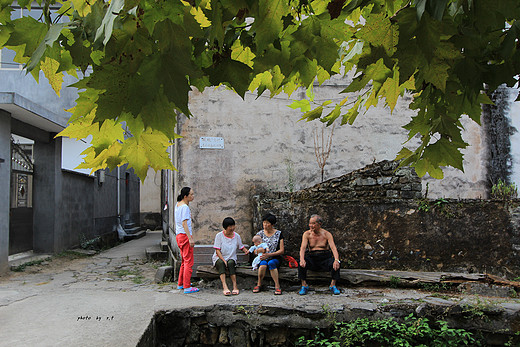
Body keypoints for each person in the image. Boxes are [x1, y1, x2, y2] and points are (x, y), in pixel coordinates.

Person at [298, 214, 341, 295]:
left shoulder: (326, 234)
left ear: (320, 224)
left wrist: (336, 259)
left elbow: (333, 248)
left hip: (324, 257)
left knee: (336, 263)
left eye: (313, 223)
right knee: (300, 262)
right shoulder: (307, 234)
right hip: (312, 257)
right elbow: (303, 248)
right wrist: (302, 259)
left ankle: (333, 285)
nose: (311, 225)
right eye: (310, 223)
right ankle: (304, 285)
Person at [212, 217, 249, 296]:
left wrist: (246, 250)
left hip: (231, 257)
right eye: (230, 226)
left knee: (231, 263)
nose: (232, 228)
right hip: (219, 257)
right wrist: (223, 260)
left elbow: (241, 246)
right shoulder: (219, 236)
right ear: (225, 227)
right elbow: (217, 250)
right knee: (221, 263)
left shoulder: (237, 236)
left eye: (233, 226)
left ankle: (235, 286)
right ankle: (225, 286)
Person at [175, 187, 199, 294]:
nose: (193, 196)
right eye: (191, 194)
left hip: (179, 235)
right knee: (189, 261)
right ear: (186, 196)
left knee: (184, 261)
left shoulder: (178, 205)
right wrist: (190, 238)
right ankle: (187, 286)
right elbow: (184, 223)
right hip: (185, 236)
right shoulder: (184, 207)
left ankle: (181, 284)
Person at [253, 213, 285, 295]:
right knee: (263, 264)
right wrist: (260, 251)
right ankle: (259, 284)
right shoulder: (259, 234)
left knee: (271, 263)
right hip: (263, 257)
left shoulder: (278, 234)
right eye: (264, 222)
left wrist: (270, 255)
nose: (265, 225)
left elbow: (281, 250)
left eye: (267, 223)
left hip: (275, 257)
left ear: (272, 224)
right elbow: (254, 250)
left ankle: (277, 286)